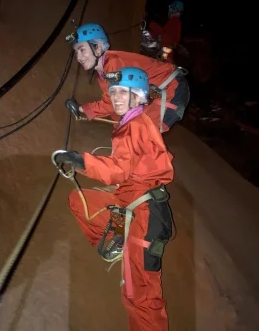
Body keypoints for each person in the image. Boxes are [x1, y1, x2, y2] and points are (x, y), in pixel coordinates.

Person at [54, 67, 175, 331]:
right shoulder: (132, 122)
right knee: (80, 201)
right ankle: (118, 243)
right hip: (131, 204)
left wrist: (81, 161)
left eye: (124, 92)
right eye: (114, 92)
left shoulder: (136, 127)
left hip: (146, 218)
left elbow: (117, 170)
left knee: (140, 296)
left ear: (139, 96)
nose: (117, 97)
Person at [65, 22, 190, 133]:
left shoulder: (114, 65)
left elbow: (109, 104)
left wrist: (81, 108)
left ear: (97, 48)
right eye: (76, 52)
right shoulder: (104, 71)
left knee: (141, 132)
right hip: (158, 90)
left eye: (82, 50)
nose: (79, 57)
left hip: (172, 89)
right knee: (123, 125)